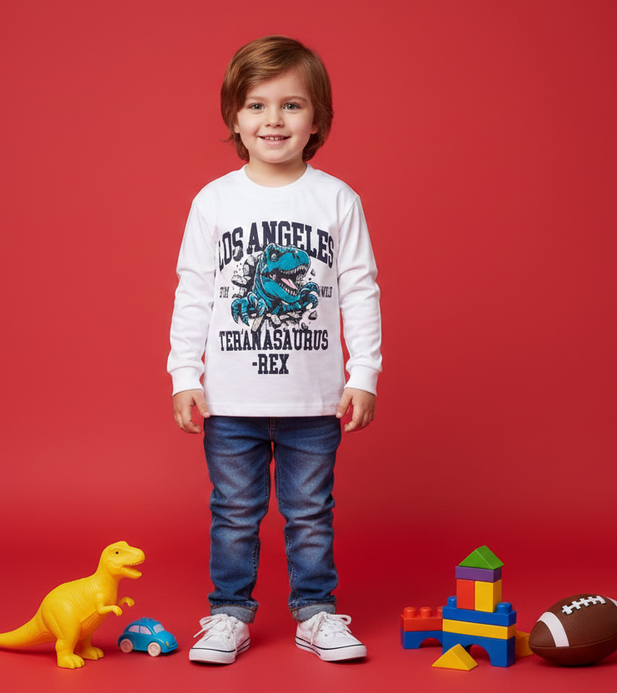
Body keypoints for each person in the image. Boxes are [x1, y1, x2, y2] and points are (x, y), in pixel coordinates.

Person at [167, 35, 382, 664]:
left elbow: (360, 288)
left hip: (312, 400)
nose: (274, 120)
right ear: (235, 117)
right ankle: (228, 614)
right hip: (231, 400)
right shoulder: (214, 200)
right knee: (235, 512)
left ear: (317, 119)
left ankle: (316, 612)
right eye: (257, 105)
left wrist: (364, 372)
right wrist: (184, 374)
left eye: (292, 105)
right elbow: (194, 291)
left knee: (310, 512)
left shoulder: (338, 199)